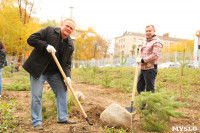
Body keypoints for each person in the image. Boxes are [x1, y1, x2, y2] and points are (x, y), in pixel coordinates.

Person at [23, 18, 76, 130]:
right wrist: (45, 45)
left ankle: (62, 118)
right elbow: (31, 39)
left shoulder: (70, 45)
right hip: (39, 70)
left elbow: (67, 64)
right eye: (67, 26)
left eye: (71, 28)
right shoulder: (49, 31)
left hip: (54, 73)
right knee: (36, 96)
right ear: (62, 24)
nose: (68, 29)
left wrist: (67, 76)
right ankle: (37, 122)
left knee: (62, 91)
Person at [136, 25, 163, 96]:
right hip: (142, 68)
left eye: (149, 31)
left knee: (149, 90)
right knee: (139, 88)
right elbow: (140, 53)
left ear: (154, 31)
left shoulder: (157, 42)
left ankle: (150, 106)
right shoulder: (145, 42)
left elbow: (155, 55)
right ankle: (141, 105)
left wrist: (142, 60)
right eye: (146, 31)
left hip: (150, 69)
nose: (148, 32)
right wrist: (138, 48)